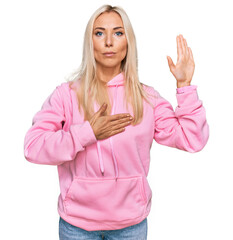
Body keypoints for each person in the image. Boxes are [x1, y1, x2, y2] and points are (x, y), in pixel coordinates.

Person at [23, 4, 209, 240]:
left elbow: (193, 139)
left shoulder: (147, 98)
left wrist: (185, 87)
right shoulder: (66, 95)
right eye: (99, 33)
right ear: (89, 42)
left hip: (130, 226)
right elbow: (33, 148)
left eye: (118, 33)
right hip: (77, 226)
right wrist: (86, 133)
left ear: (128, 42)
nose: (108, 41)